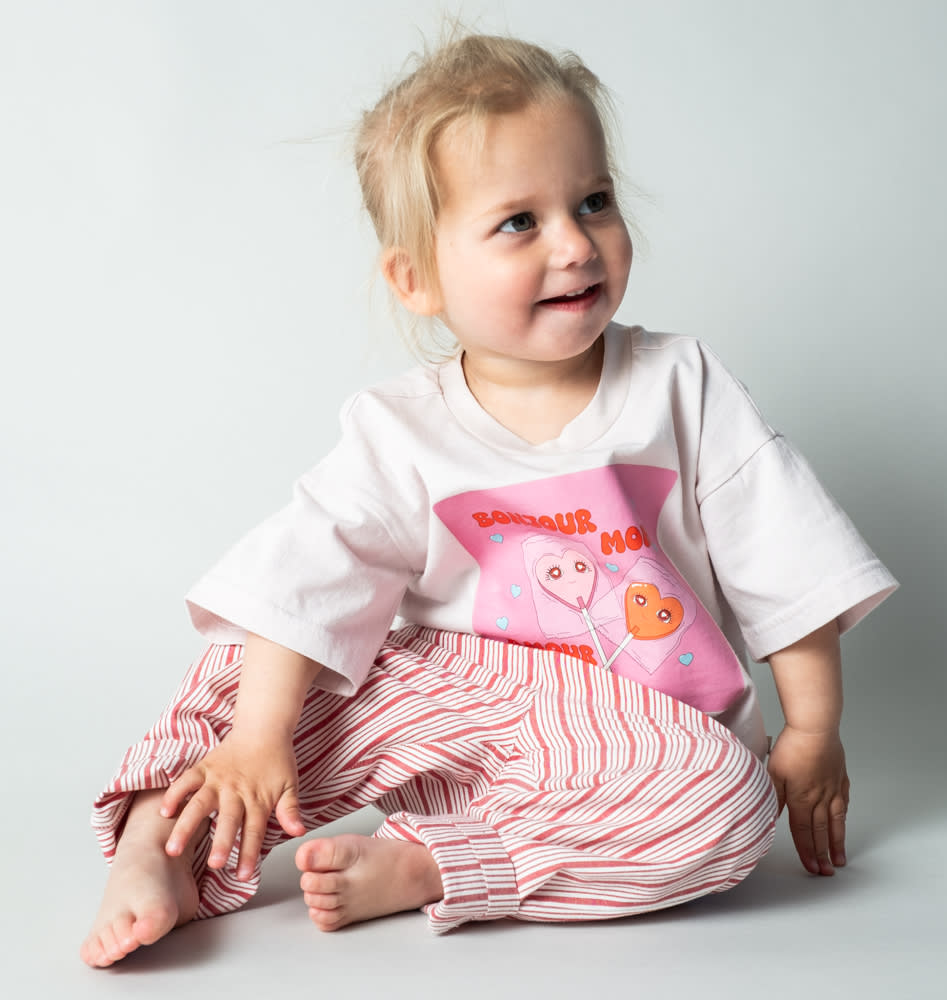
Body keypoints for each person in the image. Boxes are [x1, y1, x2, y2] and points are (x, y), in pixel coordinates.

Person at [80, 31, 897, 968]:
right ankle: (163, 843)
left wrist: (813, 729)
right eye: (519, 223)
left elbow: (787, 562)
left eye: (594, 202)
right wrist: (260, 737)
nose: (575, 244)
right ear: (418, 278)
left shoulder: (682, 385)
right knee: (255, 661)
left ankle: (442, 864)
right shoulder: (400, 430)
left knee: (730, 806)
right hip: (455, 708)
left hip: (638, 742)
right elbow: (302, 580)